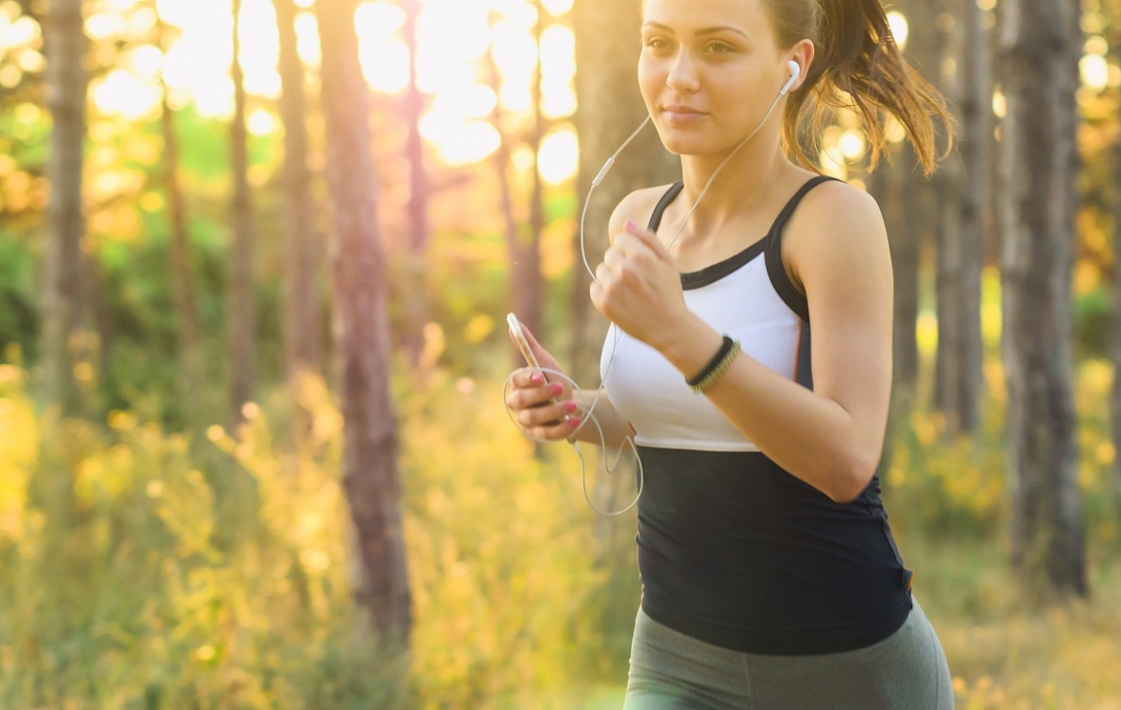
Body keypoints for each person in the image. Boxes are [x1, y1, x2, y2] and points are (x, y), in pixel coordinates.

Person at [505, 0, 955, 707]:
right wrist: (575, 409)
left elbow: (845, 460)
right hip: (675, 657)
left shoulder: (831, 221)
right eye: (659, 43)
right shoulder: (637, 219)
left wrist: (683, 336)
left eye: (717, 48)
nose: (678, 76)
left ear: (792, 65)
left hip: (848, 667)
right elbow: (661, 416)